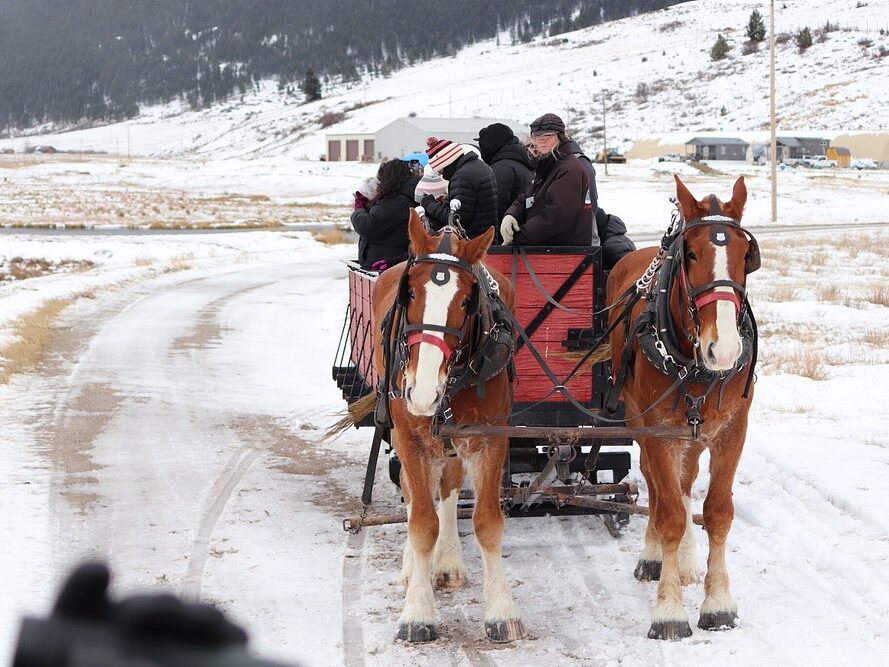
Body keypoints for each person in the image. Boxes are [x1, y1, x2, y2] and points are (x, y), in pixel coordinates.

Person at [500, 113, 597, 246]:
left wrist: (519, 236)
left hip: (564, 253)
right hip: (547, 249)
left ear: (560, 137)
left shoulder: (570, 169)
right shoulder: (547, 165)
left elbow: (556, 217)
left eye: (547, 136)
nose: (542, 141)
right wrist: (511, 214)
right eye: (537, 137)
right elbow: (528, 197)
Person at [419, 136, 498, 238]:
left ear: (445, 162)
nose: (440, 173)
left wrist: (429, 204)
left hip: (471, 243)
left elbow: (456, 219)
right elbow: (471, 203)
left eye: (439, 169)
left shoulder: (462, 176)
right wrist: (449, 200)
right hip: (485, 237)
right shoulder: (478, 166)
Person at [350, 158, 420, 271]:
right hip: (390, 263)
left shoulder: (396, 201)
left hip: (384, 266)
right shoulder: (405, 196)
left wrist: (358, 209)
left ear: (389, 179)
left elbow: (367, 226)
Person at [476, 122, 533, 221]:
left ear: (490, 144)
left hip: (506, 231)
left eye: (482, 144)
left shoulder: (502, 169)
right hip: (520, 227)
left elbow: (495, 209)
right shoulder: (523, 161)